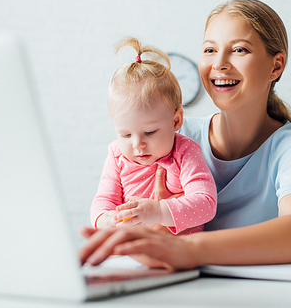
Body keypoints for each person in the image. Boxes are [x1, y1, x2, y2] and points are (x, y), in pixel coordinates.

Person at [80, 0, 291, 269]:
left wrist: (186, 247)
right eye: (209, 50)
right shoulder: (169, 137)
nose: (219, 63)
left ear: (276, 66)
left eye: (239, 50)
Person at [90, 37, 217, 235]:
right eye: (125, 134)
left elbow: (206, 204)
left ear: (176, 121)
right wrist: (106, 220)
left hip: (181, 250)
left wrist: (159, 212)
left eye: (149, 132)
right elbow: (103, 201)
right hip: (134, 248)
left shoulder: (185, 151)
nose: (137, 143)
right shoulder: (116, 155)